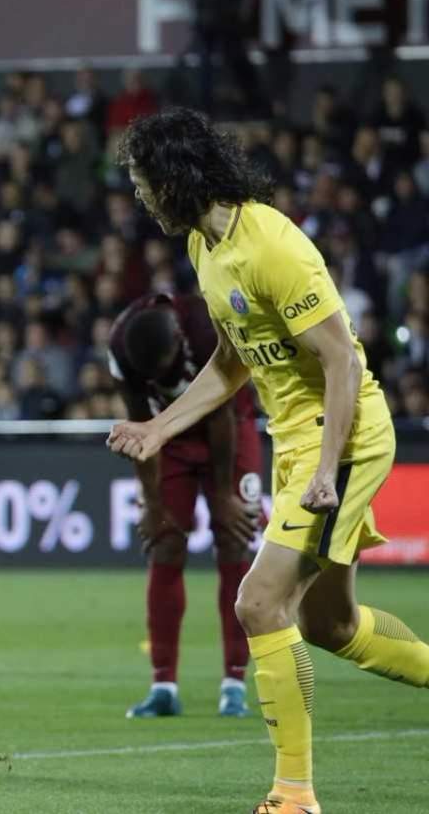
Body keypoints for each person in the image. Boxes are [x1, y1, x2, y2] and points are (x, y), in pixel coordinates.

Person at [109, 108, 429, 814]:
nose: (138, 198)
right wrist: (159, 428)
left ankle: (293, 795)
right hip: (299, 439)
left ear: (174, 177)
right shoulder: (203, 246)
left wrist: (324, 469)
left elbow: (342, 358)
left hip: (342, 438)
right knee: (331, 627)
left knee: (258, 601)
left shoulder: (273, 246)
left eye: (141, 183)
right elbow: (230, 363)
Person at [108, 292, 262, 719]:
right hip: (168, 435)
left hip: (232, 424)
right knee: (165, 543)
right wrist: (153, 505)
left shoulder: (202, 322)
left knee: (233, 540)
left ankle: (234, 682)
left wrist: (225, 495)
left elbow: (221, 415)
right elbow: (140, 426)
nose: (161, 376)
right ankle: (163, 686)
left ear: (178, 340)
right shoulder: (121, 351)